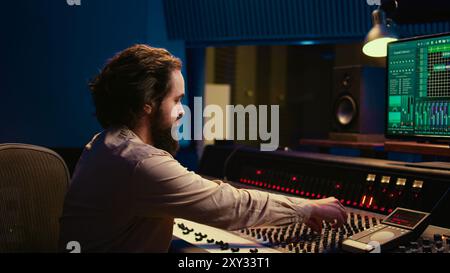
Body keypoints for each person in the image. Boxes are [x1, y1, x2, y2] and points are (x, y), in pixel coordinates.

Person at [58, 44, 347, 253]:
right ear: (147, 103)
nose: (182, 111)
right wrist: (306, 208)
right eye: (176, 100)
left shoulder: (105, 144)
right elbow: (229, 206)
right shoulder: (139, 162)